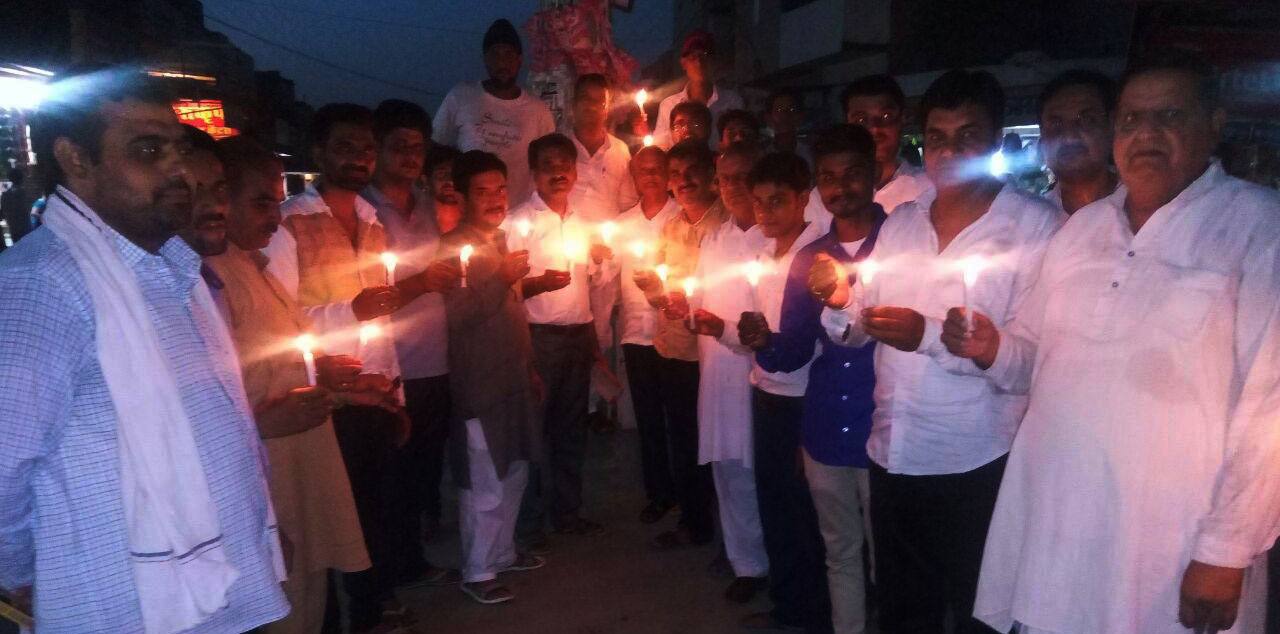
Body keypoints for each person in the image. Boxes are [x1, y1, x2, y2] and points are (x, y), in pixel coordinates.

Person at [936, 54, 1280, 634]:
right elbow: (1031, 360)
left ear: (1214, 123)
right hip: (1058, 518)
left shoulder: (1256, 226)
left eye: (1169, 114)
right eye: (1130, 119)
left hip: (1170, 534)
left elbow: (1269, 406)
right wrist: (991, 346)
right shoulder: (1082, 230)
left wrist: (1226, 549)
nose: (1146, 133)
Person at [0, 65, 288, 633]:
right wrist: (38, 574)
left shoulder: (170, 271)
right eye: (148, 150)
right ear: (76, 159)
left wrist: (256, 533)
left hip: (221, 587)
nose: (179, 169)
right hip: (123, 606)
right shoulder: (42, 286)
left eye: (177, 148)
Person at [813, 69, 1065, 634]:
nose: (949, 151)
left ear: (997, 143)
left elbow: (1031, 365)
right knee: (903, 607)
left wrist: (952, 339)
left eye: (967, 136)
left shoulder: (1035, 228)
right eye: (938, 136)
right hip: (892, 450)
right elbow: (855, 330)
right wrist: (839, 302)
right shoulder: (901, 223)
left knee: (979, 607)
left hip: (973, 460)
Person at [263, 103, 438, 634]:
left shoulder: (371, 222)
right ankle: (336, 616)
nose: (358, 158)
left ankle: (370, 607)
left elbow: (381, 320)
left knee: (373, 509)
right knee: (328, 519)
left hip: (373, 391)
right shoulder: (289, 225)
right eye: (345, 147)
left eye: (365, 148)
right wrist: (350, 311)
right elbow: (280, 318)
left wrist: (392, 393)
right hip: (325, 394)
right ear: (318, 153)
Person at [205, 136, 374, 634]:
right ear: (219, 197)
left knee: (307, 600)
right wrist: (261, 422)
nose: (275, 217)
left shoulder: (256, 271)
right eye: (261, 201)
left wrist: (335, 382)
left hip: (301, 471)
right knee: (278, 609)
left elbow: (281, 364)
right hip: (264, 482)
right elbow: (201, 407)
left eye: (277, 201)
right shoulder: (208, 280)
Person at [747, 125, 885, 634]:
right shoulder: (809, 259)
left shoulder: (900, 241)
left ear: (873, 174)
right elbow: (794, 351)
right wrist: (763, 340)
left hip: (883, 427)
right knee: (839, 553)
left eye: (852, 173)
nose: (841, 186)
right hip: (825, 425)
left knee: (885, 560)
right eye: (829, 176)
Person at [721, 152, 831, 634]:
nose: (765, 212)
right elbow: (760, 333)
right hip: (766, 390)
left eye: (777, 202)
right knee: (776, 503)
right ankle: (789, 606)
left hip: (801, 399)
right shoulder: (766, 255)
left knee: (803, 511)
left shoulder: (813, 257)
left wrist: (764, 343)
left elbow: (799, 345)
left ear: (804, 198)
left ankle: (813, 614)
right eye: (759, 203)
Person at [362, 99, 466, 574]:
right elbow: (361, 296)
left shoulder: (427, 207)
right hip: (392, 363)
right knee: (390, 472)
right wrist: (422, 283)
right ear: (377, 150)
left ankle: (412, 560)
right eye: (398, 145)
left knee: (425, 465)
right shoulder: (365, 210)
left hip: (434, 359)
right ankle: (389, 570)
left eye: (417, 147)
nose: (409, 155)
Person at [441, 150, 547, 605]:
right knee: (484, 477)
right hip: (480, 383)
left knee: (516, 468)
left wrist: (530, 368)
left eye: (500, 189)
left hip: (514, 377)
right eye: (481, 191)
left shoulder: (504, 243)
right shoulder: (453, 249)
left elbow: (513, 313)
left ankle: (503, 551)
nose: (494, 199)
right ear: (461, 196)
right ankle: (478, 570)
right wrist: (501, 279)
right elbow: (461, 315)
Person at [508, 133, 612, 547]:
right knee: (534, 429)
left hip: (576, 335)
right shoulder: (519, 221)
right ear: (533, 173)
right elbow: (508, 287)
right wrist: (538, 284)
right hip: (537, 337)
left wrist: (603, 261)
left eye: (564, 165)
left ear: (575, 171)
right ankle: (529, 522)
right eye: (548, 165)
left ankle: (568, 512)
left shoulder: (585, 225)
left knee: (571, 430)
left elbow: (593, 282)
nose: (557, 172)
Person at [678, 140, 770, 604]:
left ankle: (771, 560)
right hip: (716, 373)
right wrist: (679, 305)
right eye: (726, 178)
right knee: (727, 467)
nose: (733, 187)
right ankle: (745, 562)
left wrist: (726, 328)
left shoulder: (775, 239)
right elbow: (699, 301)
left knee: (759, 470)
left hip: (757, 373)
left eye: (742, 176)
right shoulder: (715, 239)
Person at [634, 140, 727, 551]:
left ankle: (726, 527)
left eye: (692, 172)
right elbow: (661, 290)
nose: (683, 181)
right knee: (683, 439)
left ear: (711, 175)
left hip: (711, 353)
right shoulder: (671, 226)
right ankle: (694, 520)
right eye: (675, 174)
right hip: (672, 349)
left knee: (718, 441)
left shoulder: (725, 226)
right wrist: (653, 290)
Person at [613, 146, 681, 525]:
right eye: (644, 171)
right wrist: (599, 256)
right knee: (649, 419)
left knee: (680, 418)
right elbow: (608, 275)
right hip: (636, 335)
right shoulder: (623, 224)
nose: (651, 176)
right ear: (634, 176)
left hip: (674, 334)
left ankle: (688, 488)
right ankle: (658, 492)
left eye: (658, 169)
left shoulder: (680, 217)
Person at [432, 18, 555, 205]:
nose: (502, 61)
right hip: (467, 215)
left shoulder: (538, 110)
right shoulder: (461, 96)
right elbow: (437, 148)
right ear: (485, 59)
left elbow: (548, 163)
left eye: (509, 54)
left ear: (519, 59)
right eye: (495, 54)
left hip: (519, 217)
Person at [841, 74, 933, 213]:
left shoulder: (928, 190)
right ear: (848, 125)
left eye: (886, 116)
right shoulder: (829, 195)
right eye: (861, 120)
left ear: (903, 119)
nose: (874, 128)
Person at [1037, 69, 1120, 214]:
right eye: (1056, 124)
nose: (1069, 136)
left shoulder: (1147, 208)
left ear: (1111, 126)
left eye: (1087, 120)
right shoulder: (1032, 220)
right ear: (1042, 135)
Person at [653, 28, 745, 150]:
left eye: (705, 56)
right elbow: (661, 147)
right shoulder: (669, 105)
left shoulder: (731, 101)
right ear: (683, 63)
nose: (699, 63)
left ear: (714, 61)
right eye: (693, 57)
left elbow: (740, 144)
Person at [424, 144, 463, 234]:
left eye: (455, 174)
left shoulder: (475, 220)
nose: (450, 180)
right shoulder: (415, 220)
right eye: (441, 174)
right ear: (425, 180)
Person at [766, 88, 812, 165]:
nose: (785, 115)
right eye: (779, 110)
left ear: (801, 116)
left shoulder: (811, 155)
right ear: (768, 117)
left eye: (792, 109)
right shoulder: (760, 155)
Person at [1, 170, 32, 248]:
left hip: (13, 229)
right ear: (21, 179)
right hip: (26, 227)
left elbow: (4, 213)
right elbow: (28, 208)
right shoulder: (23, 192)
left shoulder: (5, 195)